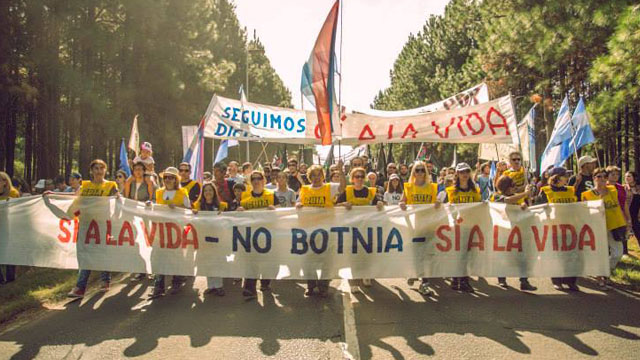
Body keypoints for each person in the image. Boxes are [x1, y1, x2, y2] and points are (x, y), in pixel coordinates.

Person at [66, 160, 118, 298]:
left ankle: (105, 280)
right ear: (91, 171)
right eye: (96, 168)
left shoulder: (111, 185)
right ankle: (80, 287)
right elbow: (75, 200)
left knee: (103, 252)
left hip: (103, 224)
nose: (99, 171)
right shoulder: (84, 186)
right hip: (86, 225)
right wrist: (52, 194)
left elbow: (118, 200)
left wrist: (118, 197)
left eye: (102, 168)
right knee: (86, 253)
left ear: (105, 170)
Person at [296, 164, 346, 297]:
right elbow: (298, 203)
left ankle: (323, 286)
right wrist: (298, 205)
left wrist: (341, 172)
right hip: (308, 231)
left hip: (326, 231)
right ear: (309, 177)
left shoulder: (329, 187)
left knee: (326, 260)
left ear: (323, 176)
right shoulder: (305, 189)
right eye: (313, 175)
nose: (316, 178)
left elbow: (342, 188)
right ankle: (311, 286)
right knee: (308, 259)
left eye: (319, 175)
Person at [336, 167, 384, 290]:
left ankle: (366, 275)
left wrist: (379, 203)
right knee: (352, 254)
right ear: (352, 179)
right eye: (357, 177)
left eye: (362, 177)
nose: (360, 179)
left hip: (366, 227)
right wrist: (343, 204)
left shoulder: (369, 192)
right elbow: (335, 205)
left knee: (366, 252)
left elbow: (378, 204)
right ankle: (353, 281)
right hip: (351, 228)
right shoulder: (347, 191)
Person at [582, 168, 628, 290]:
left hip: (615, 225)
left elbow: (621, 206)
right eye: (598, 177)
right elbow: (585, 212)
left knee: (618, 253)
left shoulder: (613, 190)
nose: (602, 179)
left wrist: (627, 221)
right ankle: (600, 278)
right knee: (599, 253)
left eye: (604, 177)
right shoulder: (586, 194)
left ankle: (604, 272)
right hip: (597, 227)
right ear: (594, 179)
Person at [149, 167, 191, 298]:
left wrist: (177, 208)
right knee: (159, 256)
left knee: (176, 256)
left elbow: (188, 209)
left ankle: (177, 281)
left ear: (176, 180)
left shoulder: (182, 192)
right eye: (166, 177)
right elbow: (156, 207)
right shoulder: (159, 192)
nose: (168, 180)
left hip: (176, 229)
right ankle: (158, 286)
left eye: (171, 177)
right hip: (161, 230)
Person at [399, 161, 440, 296]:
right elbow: (402, 201)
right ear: (413, 172)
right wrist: (402, 204)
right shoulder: (409, 187)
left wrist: (438, 203)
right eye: (418, 170)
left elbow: (437, 203)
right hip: (414, 225)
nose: (420, 173)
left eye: (423, 170)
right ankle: (414, 272)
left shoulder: (432, 187)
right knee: (416, 253)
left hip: (428, 224)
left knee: (426, 253)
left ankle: (424, 282)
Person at [536, 166, 580, 291]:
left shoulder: (571, 190)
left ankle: (571, 280)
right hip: (554, 228)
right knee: (556, 255)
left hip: (571, 227)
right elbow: (539, 208)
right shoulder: (545, 191)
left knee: (572, 254)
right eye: (565, 175)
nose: (567, 178)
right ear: (556, 177)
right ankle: (557, 280)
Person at [491, 175, 537, 291]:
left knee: (522, 256)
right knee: (503, 256)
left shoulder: (517, 197)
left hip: (518, 230)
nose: (515, 188)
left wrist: (524, 205)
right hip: (503, 231)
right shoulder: (496, 196)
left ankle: (524, 281)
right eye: (512, 186)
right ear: (505, 187)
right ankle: (502, 279)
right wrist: (525, 194)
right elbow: (506, 201)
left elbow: (523, 207)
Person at [238, 170, 278, 299]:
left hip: (268, 234)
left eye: (258, 178)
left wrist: (276, 209)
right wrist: (239, 210)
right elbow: (239, 215)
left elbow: (282, 214)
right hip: (250, 234)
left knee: (266, 261)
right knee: (251, 260)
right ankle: (249, 289)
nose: (256, 181)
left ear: (263, 180)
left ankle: (265, 282)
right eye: (253, 179)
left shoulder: (271, 195)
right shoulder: (244, 196)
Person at [445, 162, 482, 293]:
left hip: (470, 225)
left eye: (466, 171)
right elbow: (448, 207)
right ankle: (455, 278)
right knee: (457, 253)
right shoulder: (451, 190)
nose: (464, 174)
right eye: (461, 172)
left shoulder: (475, 190)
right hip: (456, 226)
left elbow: (478, 206)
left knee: (468, 253)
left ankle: (464, 280)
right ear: (457, 174)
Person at [123, 161, 157, 280]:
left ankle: (152, 269)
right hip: (134, 215)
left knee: (149, 241)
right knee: (137, 241)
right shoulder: (130, 183)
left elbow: (154, 197)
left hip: (146, 215)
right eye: (136, 169)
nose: (138, 171)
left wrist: (150, 202)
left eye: (140, 169)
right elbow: (125, 197)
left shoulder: (149, 182)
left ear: (144, 171)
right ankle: (141, 270)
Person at [195, 182, 228, 296]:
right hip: (204, 238)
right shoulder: (198, 206)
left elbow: (228, 220)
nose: (208, 193)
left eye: (210, 190)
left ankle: (219, 286)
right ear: (202, 193)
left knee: (217, 261)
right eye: (205, 191)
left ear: (214, 192)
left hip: (218, 238)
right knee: (207, 261)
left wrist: (223, 214)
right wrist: (194, 214)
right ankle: (211, 285)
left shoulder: (222, 206)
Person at [0, 171, 20, 284]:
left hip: (9, 227)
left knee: (9, 251)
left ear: (5, 182)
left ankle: (11, 279)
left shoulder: (13, 193)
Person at [625, 171, 640, 252]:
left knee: (638, 232)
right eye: (626, 176)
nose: (626, 178)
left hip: (636, 214)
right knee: (625, 233)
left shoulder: (639, 188)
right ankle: (625, 252)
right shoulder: (624, 188)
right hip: (627, 214)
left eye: (629, 176)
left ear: (634, 178)